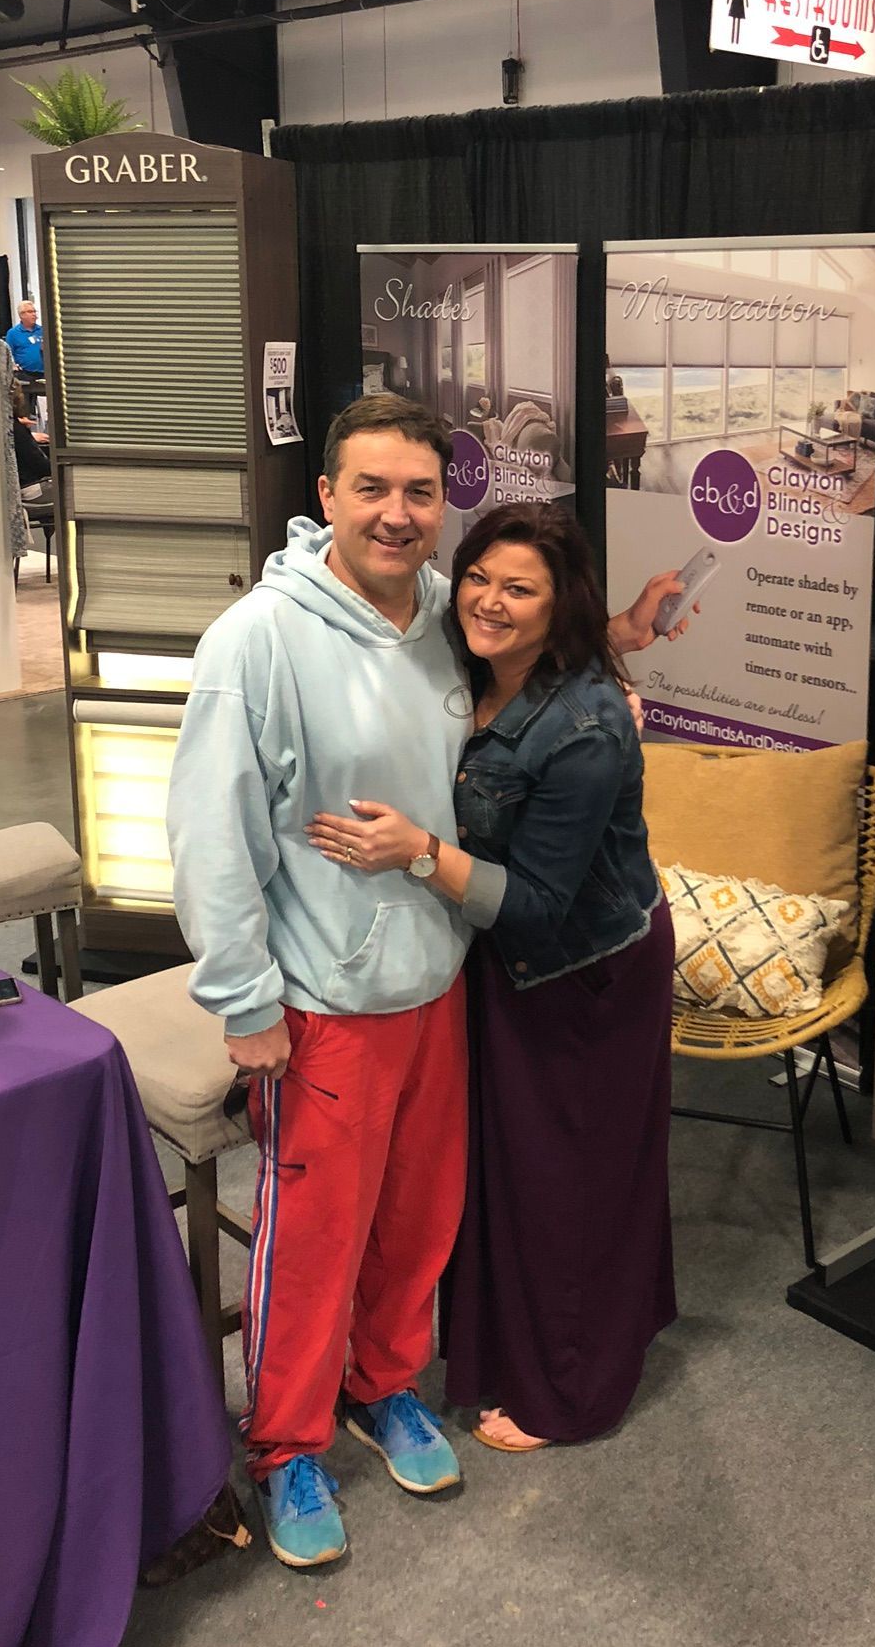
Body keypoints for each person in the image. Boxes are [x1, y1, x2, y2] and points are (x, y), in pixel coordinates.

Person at [166, 395, 691, 1569]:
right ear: (327, 498)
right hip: (322, 1000)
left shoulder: (448, 615)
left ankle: (385, 1382)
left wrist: (626, 650)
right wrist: (244, 1003)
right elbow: (211, 835)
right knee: (314, 1235)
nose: (397, 514)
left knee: (417, 1218)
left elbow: (542, 638)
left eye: (418, 492)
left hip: (445, 982)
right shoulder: (255, 641)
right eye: (372, 489)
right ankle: (288, 1441)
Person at [308, 503, 677, 1454]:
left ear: (559, 609)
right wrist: (632, 629)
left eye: (521, 590)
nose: (489, 602)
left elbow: (542, 903)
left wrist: (417, 851)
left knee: (571, 1187)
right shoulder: (467, 659)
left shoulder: (586, 725)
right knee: (509, 1177)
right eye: (479, 579)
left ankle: (574, 1395)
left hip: (583, 972)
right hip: (501, 964)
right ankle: (510, 1354)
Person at [5, 299, 44, 377]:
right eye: (30, 312)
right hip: (25, 375)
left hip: (45, 373)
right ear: (21, 315)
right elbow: (8, 355)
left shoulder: (43, 330)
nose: (34, 314)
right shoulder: (13, 333)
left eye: (34, 311)